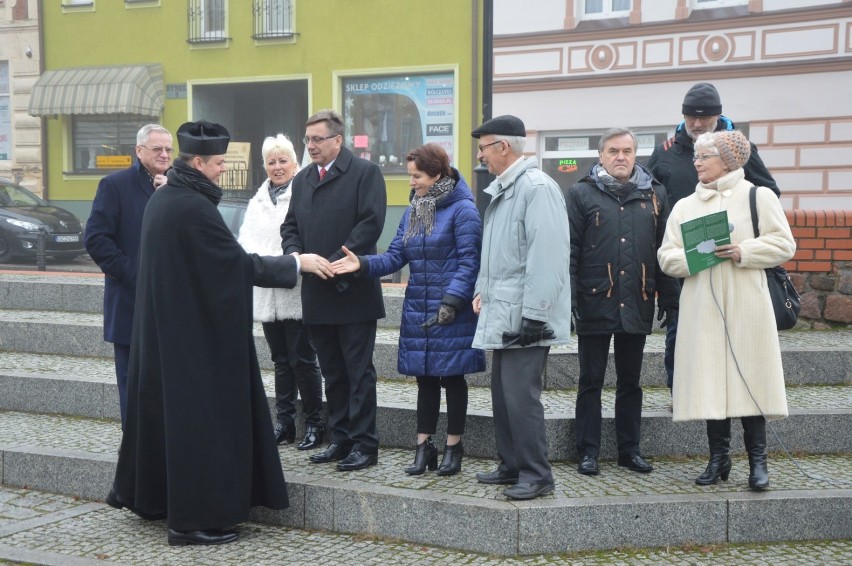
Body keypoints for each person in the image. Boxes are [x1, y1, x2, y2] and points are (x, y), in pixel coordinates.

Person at [106, 120, 335, 546]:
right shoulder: (190, 207)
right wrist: (295, 264)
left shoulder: (165, 199)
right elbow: (235, 264)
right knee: (198, 426)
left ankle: (155, 500)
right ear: (196, 161)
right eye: (217, 163)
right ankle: (191, 521)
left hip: (169, 338)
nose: (221, 170)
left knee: (168, 423)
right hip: (192, 345)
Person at [332, 143, 485, 477]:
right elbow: (395, 256)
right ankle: (423, 446)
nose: (411, 182)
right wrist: (362, 264)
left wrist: (452, 301)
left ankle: (453, 447)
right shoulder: (416, 208)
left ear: (438, 174)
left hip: (451, 308)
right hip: (419, 307)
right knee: (425, 379)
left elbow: (470, 261)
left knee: (453, 377)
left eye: (416, 176)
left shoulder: (463, 210)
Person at [657, 130, 795, 491]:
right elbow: (666, 256)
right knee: (709, 380)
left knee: (752, 380)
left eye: (705, 157)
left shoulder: (758, 196)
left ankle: (758, 462)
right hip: (702, 305)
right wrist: (692, 259)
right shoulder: (686, 206)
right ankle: (718, 459)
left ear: (729, 161)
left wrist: (743, 251)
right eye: (697, 158)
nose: (697, 163)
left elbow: (783, 243)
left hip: (748, 304)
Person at [647, 82, 780, 391]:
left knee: (735, 332)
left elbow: (768, 192)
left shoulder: (738, 149)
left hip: (731, 258)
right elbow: (649, 200)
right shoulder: (664, 153)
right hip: (685, 255)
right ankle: (680, 392)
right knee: (680, 328)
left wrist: (742, 230)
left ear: (718, 116)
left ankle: (732, 392)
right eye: (690, 116)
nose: (696, 123)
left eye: (703, 118)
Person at [567, 128, 679, 477]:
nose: (621, 156)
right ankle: (588, 451)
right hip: (594, 298)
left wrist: (669, 296)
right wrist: (569, 298)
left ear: (635, 154)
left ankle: (630, 450)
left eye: (627, 150)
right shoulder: (580, 193)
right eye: (613, 150)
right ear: (600, 155)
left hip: (638, 297)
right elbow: (570, 249)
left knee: (631, 381)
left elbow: (665, 249)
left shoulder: (655, 193)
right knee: (591, 380)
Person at [470, 115, 571, 501]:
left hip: (527, 314)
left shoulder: (536, 188)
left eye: (483, 148)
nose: (481, 156)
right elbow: (497, 255)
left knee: (521, 397)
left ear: (503, 147)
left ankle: (537, 474)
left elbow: (547, 257)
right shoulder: (506, 189)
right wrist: (483, 290)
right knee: (503, 393)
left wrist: (536, 314)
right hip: (507, 309)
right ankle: (512, 464)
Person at [280, 109, 387, 472]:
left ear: (337, 141)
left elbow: (369, 226)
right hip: (315, 290)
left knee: (358, 373)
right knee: (332, 372)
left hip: (351, 291)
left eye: (317, 139)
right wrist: (296, 256)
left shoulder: (365, 174)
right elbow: (290, 226)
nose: (310, 146)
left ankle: (364, 444)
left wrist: (331, 263)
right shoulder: (303, 178)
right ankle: (340, 439)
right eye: (307, 140)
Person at [238, 134, 325, 451]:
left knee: (303, 360)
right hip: (266, 293)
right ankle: (284, 422)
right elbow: (245, 242)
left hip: (297, 292)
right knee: (280, 361)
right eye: (271, 162)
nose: (277, 167)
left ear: (295, 163)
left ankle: (315, 422)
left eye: (283, 160)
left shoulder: (304, 194)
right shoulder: (257, 200)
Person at [84, 124, 171, 429]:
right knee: (132, 384)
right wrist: (133, 272)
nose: (164, 154)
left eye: (168, 150)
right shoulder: (115, 185)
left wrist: (169, 195)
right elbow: (96, 239)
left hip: (170, 304)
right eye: (157, 148)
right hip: (130, 302)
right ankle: (134, 449)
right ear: (139, 151)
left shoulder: (177, 187)